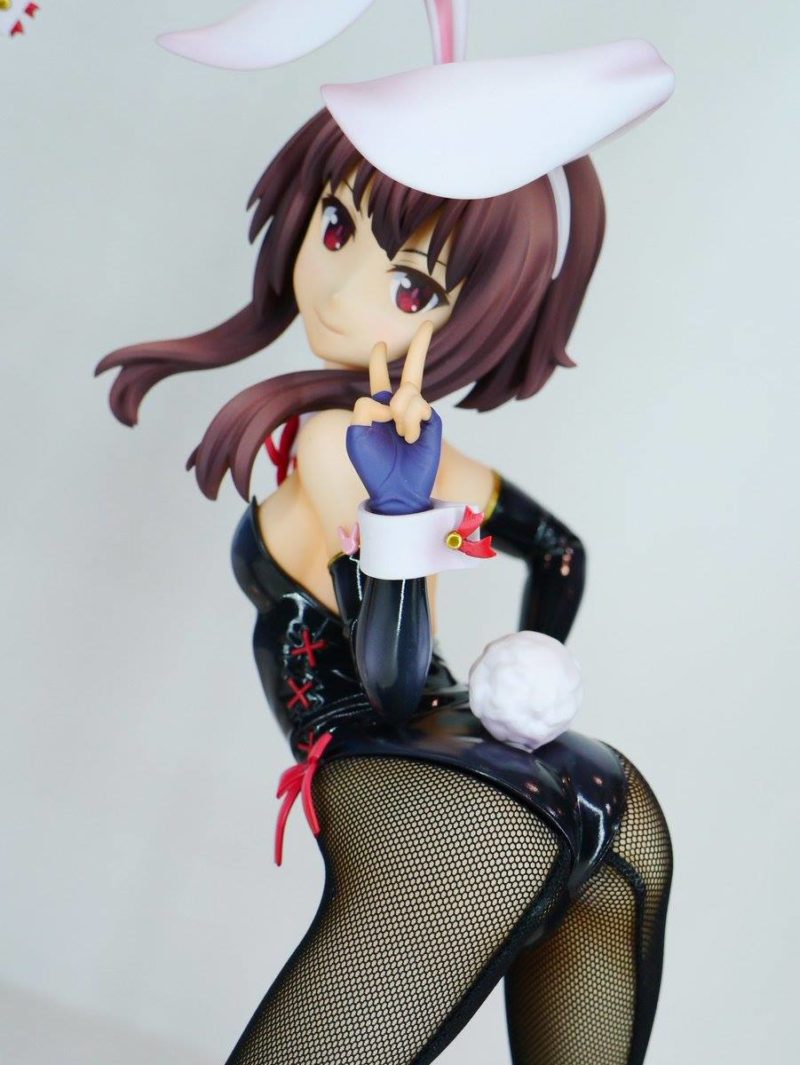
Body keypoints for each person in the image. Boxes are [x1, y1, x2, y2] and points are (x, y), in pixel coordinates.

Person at [96, 105, 673, 1064]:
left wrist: (399, 517)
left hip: (436, 794)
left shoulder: (336, 445)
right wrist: (526, 677)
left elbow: (393, 688)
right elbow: (560, 553)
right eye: (336, 227)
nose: (341, 290)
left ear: (473, 317)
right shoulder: (432, 459)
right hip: (594, 784)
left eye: (411, 287)